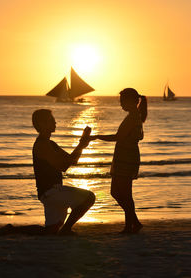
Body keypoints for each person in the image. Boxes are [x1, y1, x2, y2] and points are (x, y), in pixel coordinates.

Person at [89, 88, 147, 234]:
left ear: (132, 101)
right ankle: (133, 223)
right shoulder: (134, 116)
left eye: (122, 101)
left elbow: (117, 137)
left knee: (121, 193)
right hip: (125, 156)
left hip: (126, 158)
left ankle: (131, 224)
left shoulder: (133, 117)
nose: (120, 104)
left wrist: (96, 136)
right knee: (121, 192)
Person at [32, 109, 95, 235]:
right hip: (51, 192)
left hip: (50, 192)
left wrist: (82, 144)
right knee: (89, 198)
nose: (55, 122)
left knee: (50, 231)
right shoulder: (42, 145)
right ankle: (66, 230)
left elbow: (72, 161)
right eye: (51, 120)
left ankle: (12, 229)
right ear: (42, 123)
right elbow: (64, 166)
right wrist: (81, 144)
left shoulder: (50, 144)